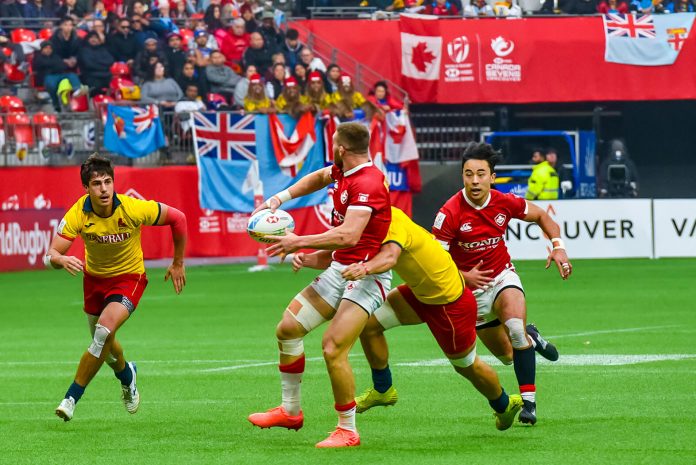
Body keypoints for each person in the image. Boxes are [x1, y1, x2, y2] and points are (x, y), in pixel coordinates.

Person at [296, 207, 525, 431]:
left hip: (449, 303)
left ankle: (504, 405)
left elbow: (389, 257)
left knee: (466, 367)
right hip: (419, 294)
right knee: (368, 323)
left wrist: (365, 268)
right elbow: (339, 255)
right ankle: (383, 389)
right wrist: (304, 258)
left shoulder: (391, 221)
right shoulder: (366, 223)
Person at [247, 123, 392, 448]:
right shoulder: (344, 171)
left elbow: (349, 235)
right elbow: (318, 178)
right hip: (340, 268)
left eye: (334, 145)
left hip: (367, 276)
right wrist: (278, 198)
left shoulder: (367, 182)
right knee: (288, 329)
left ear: (341, 149)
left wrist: (298, 243)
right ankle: (290, 411)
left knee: (332, 347)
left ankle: (348, 430)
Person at [431, 142, 571, 425]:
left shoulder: (504, 202)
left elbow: (543, 216)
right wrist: (464, 277)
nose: (474, 180)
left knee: (515, 331)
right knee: (508, 356)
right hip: (472, 293)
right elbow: (435, 264)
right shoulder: (449, 213)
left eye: (481, 173)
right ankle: (535, 337)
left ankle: (529, 405)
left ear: (492, 177)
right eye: (468, 174)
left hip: (503, 277)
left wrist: (558, 246)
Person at [48, 154, 187, 422]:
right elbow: (51, 254)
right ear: (86, 188)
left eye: (108, 182)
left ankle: (71, 398)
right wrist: (60, 259)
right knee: (107, 347)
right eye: (97, 183)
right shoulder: (79, 212)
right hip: (94, 282)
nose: (104, 189)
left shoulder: (133, 208)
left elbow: (178, 218)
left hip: (129, 278)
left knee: (102, 333)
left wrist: (178, 262)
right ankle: (127, 374)